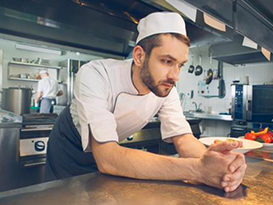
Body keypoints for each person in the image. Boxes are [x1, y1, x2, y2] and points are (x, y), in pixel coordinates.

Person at [46, 12, 246, 192]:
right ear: (140, 56)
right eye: (167, 62)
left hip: (111, 152)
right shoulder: (96, 74)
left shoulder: (167, 88)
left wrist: (219, 165)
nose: (175, 76)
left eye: (180, 65)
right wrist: (198, 170)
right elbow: (107, 158)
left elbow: (183, 138)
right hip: (69, 148)